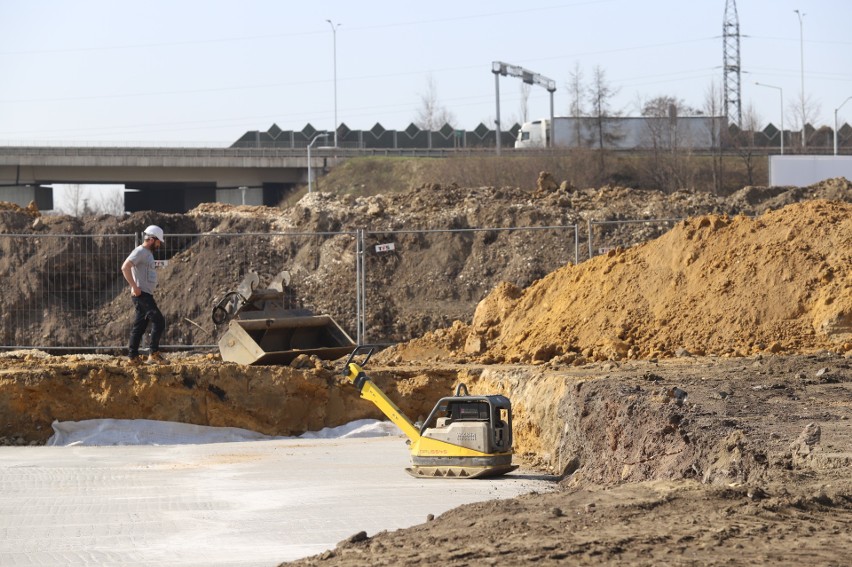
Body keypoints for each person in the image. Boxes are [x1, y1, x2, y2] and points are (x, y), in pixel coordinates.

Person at [121, 225, 168, 365]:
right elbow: (125, 267)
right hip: (141, 295)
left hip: (145, 294)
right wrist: (134, 287)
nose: (159, 244)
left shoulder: (147, 253)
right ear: (152, 239)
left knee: (140, 326)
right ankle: (153, 353)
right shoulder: (140, 251)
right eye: (159, 241)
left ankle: (133, 357)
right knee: (159, 320)